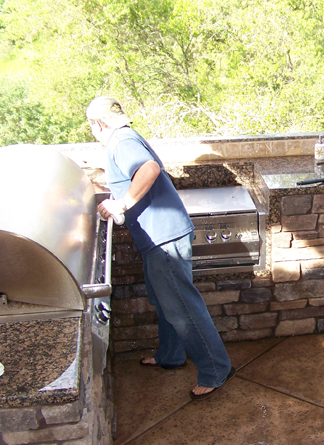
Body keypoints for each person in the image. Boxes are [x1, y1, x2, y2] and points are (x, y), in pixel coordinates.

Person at [86, 96, 235, 400]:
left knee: (182, 307)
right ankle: (171, 354)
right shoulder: (124, 137)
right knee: (165, 300)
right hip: (159, 235)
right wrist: (106, 173)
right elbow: (133, 170)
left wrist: (120, 203)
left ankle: (216, 369)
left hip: (163, 238)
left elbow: (149, 170)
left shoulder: (121, 141)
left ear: (98, 124)